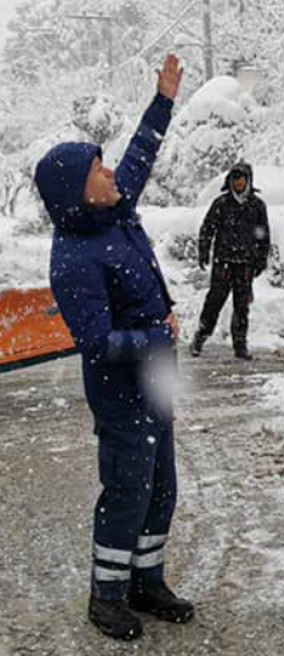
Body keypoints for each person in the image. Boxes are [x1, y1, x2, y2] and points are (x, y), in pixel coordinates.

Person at [34, 54, 194, 641]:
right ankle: (107, 594)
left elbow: (139, 157)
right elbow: (97, 344)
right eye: (97, 170)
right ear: (77, 192)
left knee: (163, 485)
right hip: (122, 391)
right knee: (128, 488)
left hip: (155, 378)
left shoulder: (113, 212)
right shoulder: (73, 259)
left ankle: (146, 580)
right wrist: (158, 335)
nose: (110, 174)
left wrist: (164, 100)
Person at [190, 161, 269, 360]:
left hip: (245, 263)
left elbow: (262, 234)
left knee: (242, 306)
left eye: (242, 178)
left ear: (249, 180)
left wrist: (261, 258)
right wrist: (204, 251)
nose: (238, 182)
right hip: (223, 261)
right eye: (235, 178)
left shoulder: (257, 205)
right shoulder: (221, 204)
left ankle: (240, 345)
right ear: (230, 181)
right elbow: (207, 228)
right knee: (214, 301)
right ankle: (200, 337)